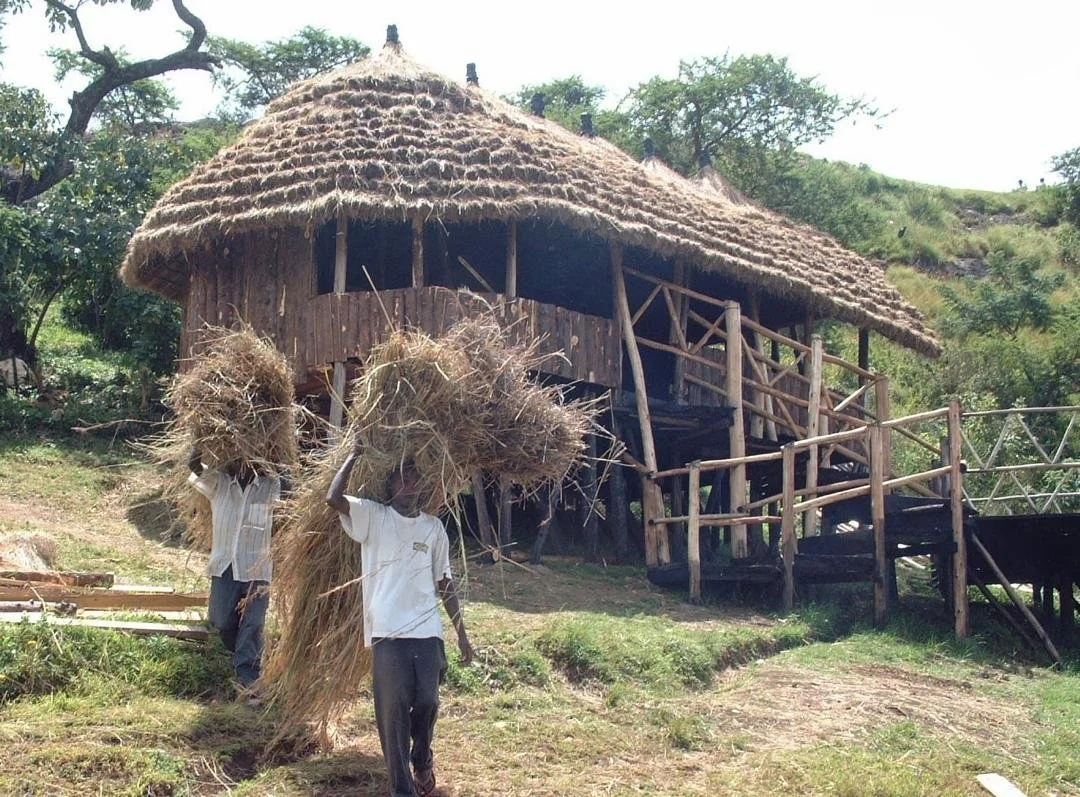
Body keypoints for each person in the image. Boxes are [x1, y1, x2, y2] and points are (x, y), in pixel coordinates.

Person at [327, 443, 474, 797]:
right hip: (387, 633)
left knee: (428, 703)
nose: (409, 483)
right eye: (402, 477)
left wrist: (462, 635)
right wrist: (354, 454)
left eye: (415, 477)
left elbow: (445, 583)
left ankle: (422, 759)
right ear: (389, 485)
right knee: (393, 715)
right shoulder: (374, 516)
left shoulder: (434, 528)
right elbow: (333, 498)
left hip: (427, 633)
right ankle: (402, 789)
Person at [188, 449, 282, 704]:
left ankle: (249, 679)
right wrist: (201, 439)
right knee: (220, 621)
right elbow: (193, 465)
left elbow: (290, 490)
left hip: (257, 568)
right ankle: (245, 651)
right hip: (224, 565)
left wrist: (274, 461)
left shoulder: (271, 486)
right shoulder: (219, 483)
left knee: (253, 624)